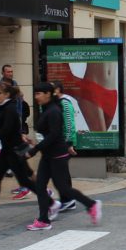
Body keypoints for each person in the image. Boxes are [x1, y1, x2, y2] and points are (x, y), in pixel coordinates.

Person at [24, 82, 101, 230]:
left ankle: (91, 204)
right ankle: (44, 220)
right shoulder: (46, 108)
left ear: (48, 94)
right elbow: (46, 133)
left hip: (57, 155)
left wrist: (34, 150)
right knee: (40, 186)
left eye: (39, 93)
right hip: (47, 154)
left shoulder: (54, 111)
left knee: (64, 188)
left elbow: (54, 135)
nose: (36, 97)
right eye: (35, 94)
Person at [0, 82, 52, 222]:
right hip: (6, 150)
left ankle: (51, 203)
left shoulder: (10, 108)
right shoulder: (3, 106)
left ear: (7, 94)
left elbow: (6, 130)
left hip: (13, 151)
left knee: (25, 181)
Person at [53, 82, 78, 212]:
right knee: (61, 172)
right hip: (59, 143)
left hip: (64, 143)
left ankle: (68, 200)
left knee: (61, 173)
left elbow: (69, 124)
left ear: (57, 90)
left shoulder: (64, 103)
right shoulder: (57, 103)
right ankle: (68, 199)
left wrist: (69, 143)